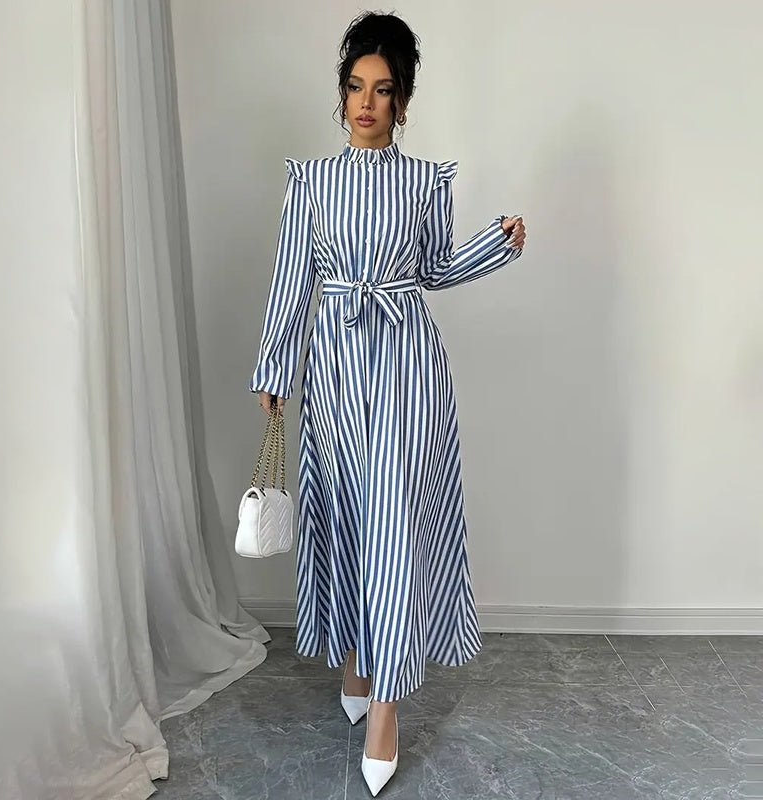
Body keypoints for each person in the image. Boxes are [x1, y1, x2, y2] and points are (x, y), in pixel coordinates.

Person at [249, 11, 526, 795]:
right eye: (354, 88)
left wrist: (495, 243)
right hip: (334, 369)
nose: (365, 103)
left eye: (382, 91)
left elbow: (435, 268)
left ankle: (385, 709)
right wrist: (274, 367)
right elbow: (289, 280)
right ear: (341, 98)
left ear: (402, 103)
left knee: (394, 521)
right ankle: (354, 659)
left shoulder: (424, 179)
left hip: (406, 367)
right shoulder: (311, 181)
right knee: (344, 513)